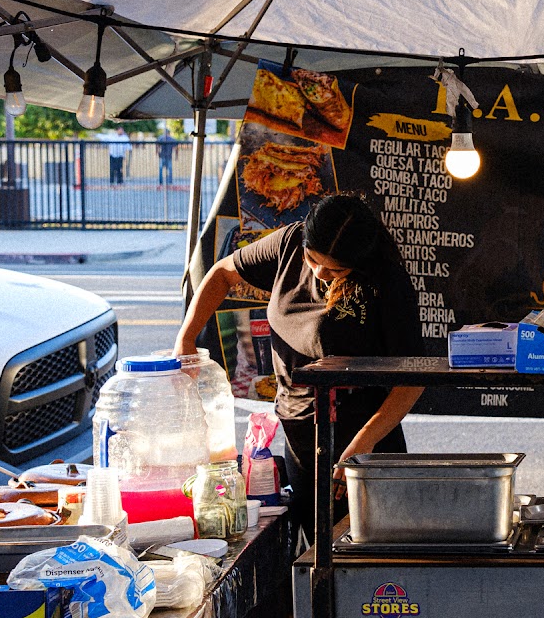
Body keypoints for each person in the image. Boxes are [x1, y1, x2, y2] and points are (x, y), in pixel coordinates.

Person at [172, 192, 423, 543]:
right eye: (313, 259)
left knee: (372, 563)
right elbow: (221, 274)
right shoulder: (290, 242)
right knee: (317, 554)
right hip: (299, 435)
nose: (320, 272)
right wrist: (186, 337)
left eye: (336, 269)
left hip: (365, 442)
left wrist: (357, 451)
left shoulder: (386, 280)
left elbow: (411, 383)